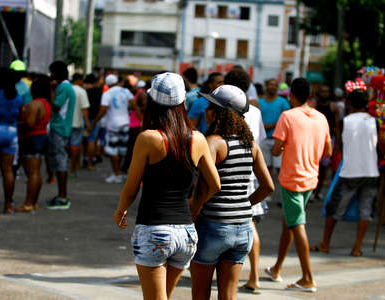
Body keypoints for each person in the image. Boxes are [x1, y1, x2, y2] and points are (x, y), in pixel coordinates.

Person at [113, 72, 220, 300]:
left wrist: (120, 210)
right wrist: (194, 206)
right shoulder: (197, 138)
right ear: (183, 102)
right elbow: (214, 184)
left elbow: (132, 187)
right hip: (186, 234)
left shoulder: (149, 138)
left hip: (154, 230)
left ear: (152, 102)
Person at [190, 85, 274, 300]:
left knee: (200, 293)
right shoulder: (251, 145)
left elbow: (202, 189)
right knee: (229, 295)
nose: (206, 111)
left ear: (220, 112)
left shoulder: (214, 142)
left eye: (210, 107)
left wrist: (190, 218)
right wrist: (244, 204)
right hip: (244, 228)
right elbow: (268, 187)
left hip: (213, 226)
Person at [265, 78, 332, 293]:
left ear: (292, 95)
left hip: (292, 179)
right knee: (290, 222)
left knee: (297, 224)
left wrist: (285, 149)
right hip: (311, 178)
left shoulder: (288, 116)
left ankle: (307, 277)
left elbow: (275, 150)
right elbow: (328, 152)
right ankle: (276, 268)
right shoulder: (321, 118)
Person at [310, 89, 382, 256]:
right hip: (371, 171)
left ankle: (325, 243)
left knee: (334, 209)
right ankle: (357, 247)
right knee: (366, 210)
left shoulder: (345, 122)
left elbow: (341, 146)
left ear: (349, 103)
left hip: (350, 171)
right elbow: (380, 147)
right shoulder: (375, 122)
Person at [224, 69, 268, 295]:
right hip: (250, 172)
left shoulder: (225, 106)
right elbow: (258, 142)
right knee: (248, 223)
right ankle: (253, 276)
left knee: (238, 223)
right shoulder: (256, 112)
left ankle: (250, 277)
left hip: (228, 170)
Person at [89, 74, 141, 183]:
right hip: (126, 124)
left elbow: (103, 110)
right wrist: (141, 121)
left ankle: (116, 174)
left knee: (113, 151)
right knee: (121, 150)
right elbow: (135, 106)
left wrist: (93, 123)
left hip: (113, 125)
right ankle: (118, 173)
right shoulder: (126, 92)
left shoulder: (107, 94)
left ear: (107, 84)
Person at [15, 75, 52, 212]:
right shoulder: (46, 103)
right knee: (36, 172)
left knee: (32, 173)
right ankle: (33, 202)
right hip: (41, 136)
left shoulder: (33, 104)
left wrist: (16, 123)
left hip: (31, 138)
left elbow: (30, 123)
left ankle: (28, 203)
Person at [0, 68, 23, 214]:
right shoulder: (17, 97)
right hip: (11, 134)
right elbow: (20, 115)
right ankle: (8, 205)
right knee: (8, 171)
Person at [46, 61, 76, 210]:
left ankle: (63, 196)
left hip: (60, 127)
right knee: (59, 161)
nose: (50, 75)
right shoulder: (66, 86)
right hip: (61, 127)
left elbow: (56, 106)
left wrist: (51, 91)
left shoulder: (63, 87)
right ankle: (61, 195)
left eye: (52, 72)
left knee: (60, 161)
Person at [258, 78, 290, 179]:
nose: (273, 87)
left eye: (275, 85)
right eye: (271, 84)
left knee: (279, 167)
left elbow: (287, 117)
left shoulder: (283, 101)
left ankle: (282, 189)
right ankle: (267, 190)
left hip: (278, 140)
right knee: (265, 167)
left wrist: (272, 125)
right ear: (266, 86)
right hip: (263, 139)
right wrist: (262, 124)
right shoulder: (259, 101)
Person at [313, 84, 339, 201]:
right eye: (322, 91)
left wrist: (338, 141)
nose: (325, 94)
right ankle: (312, 190)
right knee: (314, 166)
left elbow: (337, 125)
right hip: (314, 140)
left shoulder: (333, 107)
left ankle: (318, 192)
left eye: (327, 91)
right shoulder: (313, 105)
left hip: (328, 140)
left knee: (324, 168)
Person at [69, 73, 90, 178]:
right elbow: (84, 109)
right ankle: (73, 169)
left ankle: (66, 168)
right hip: (77, 123)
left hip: (65, 124)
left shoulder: (67, 89)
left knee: (66, 147)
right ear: (79, 80)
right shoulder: (82, 92)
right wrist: (87, 123)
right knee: (75, 147)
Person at [83, 74, 103, 170]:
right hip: (95, 119)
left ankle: (83, 159)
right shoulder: (100, 92)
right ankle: (90, 164)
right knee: (92, 141)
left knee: (84, 141)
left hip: (85, 118)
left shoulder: (84, 91)